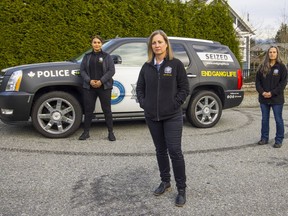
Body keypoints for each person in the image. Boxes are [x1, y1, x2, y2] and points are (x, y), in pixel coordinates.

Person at [136, 30, 189, 207]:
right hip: (152, 116)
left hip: (172, 116)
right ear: (151, 46)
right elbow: (140, 88)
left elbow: (184, 88)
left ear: (166, 44)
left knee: (175, 151)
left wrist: (175, 104)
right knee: (160, 150)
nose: (157, 45)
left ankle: (181, 189)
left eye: (160, 42)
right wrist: (145, 104)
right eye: (154, 43)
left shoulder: (175, 65)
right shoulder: (146, 67)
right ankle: (165, 181)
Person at [79, 35, 116, 141]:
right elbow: (82, 71)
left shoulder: (107, 56)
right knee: (88, 110)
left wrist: (101, 81)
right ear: (92, 44)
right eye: (94, 42)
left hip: (104, 87)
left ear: (102, 44)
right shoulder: (87, 56)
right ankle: (86, 132)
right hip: (89, 87)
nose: (96, 44)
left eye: (99, 42)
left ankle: (110, 133)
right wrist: (89, 81)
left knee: (107, 110)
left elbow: (111, 71)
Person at [255, 46, 287, 148]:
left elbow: (283, 84)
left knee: (278, 119)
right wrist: (262, 92)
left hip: (277, 99)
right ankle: (264, 138)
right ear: (267, 54)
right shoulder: (262, 67)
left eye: (274, 52)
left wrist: (272, 93)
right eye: (270, 52)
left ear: (277, 53)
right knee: (264, 119)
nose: (272, 54)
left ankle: (279, 140)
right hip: (264, 98)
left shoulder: (282, 67)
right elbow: (258, 82)